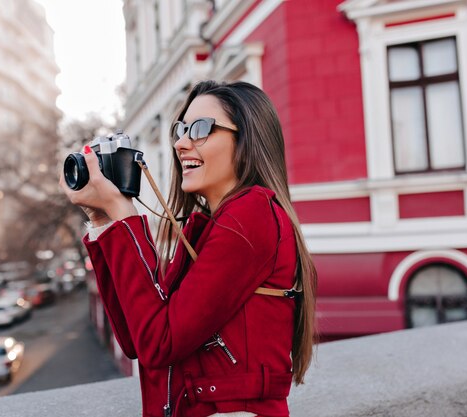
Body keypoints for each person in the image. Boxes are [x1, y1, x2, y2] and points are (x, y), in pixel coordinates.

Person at [61, 80, 317, 417]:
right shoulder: (207, 228)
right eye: (181, 130)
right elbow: (135, 339)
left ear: (246, 140)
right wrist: (103, 218)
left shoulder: (251, 216)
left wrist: (124, 215)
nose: (181, 144)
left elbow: (158, 343)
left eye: (200, 129)